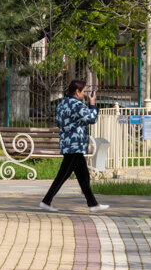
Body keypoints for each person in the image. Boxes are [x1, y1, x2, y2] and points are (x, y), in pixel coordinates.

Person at [40, 79, 110, 213]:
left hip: (67, 143)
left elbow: (60, 122)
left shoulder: (61, 104)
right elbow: (91, 119)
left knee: (83, 176)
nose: (84, 94)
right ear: (77, 92)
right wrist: (93, 104)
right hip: (75, 145)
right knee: (63, 175)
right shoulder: (77, 105)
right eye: (83, 91)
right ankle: (46, 201)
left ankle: (93, 204)